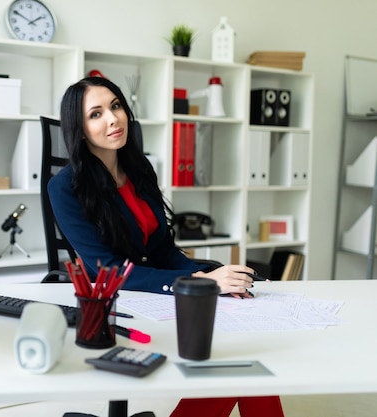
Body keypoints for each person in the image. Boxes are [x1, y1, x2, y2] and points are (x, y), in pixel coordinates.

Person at [48, 76, 284, 417]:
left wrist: (212, 274)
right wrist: (198, 284)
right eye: (96, 114)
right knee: (234, 363)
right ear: (80, 129)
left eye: (115, 106)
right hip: (115, 303)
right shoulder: (65, 186)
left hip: (155, 292)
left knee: (240, 358)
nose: (113, 118)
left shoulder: (139, 169)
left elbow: (163, 251)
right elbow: (105, 269)